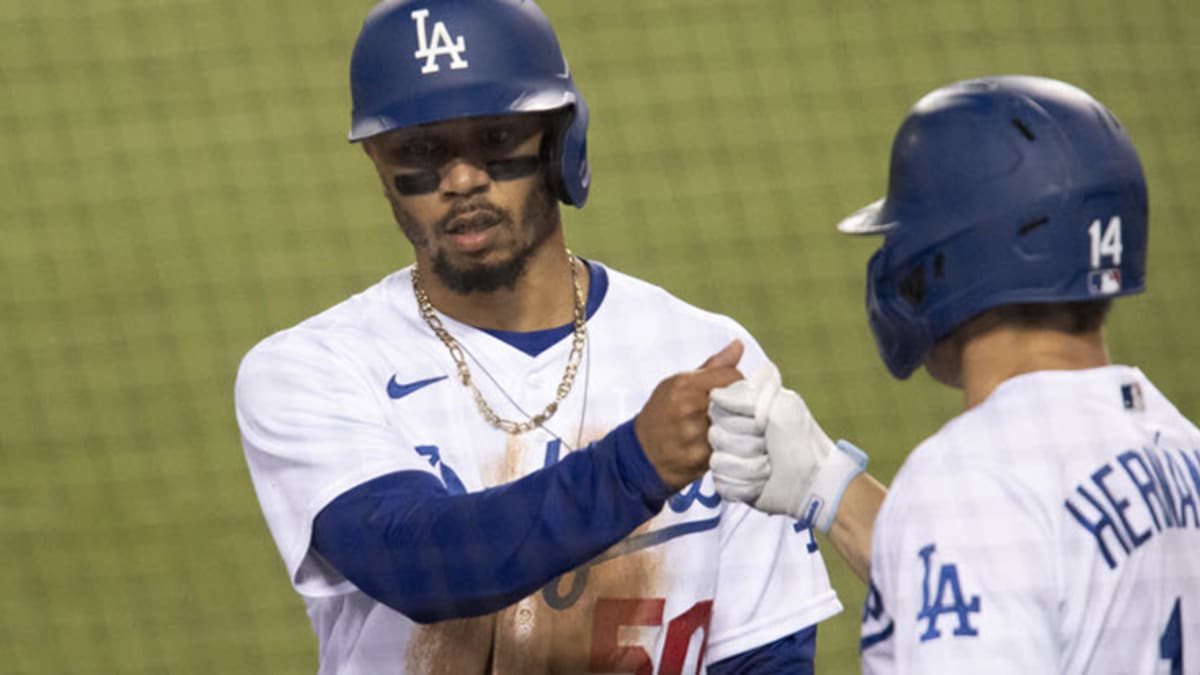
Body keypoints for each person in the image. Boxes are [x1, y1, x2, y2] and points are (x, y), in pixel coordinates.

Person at [234, 1, 845, 672]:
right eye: (421, 151)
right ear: (379, 162)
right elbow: (415, 563)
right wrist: (636, 463)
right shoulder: (314, 367)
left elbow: (765, 652)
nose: (461, 179)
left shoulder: (699, 352)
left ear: (558, 141)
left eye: (495, 139)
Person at [706, 74, 1200, 673]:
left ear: (952, 257)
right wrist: (826, 485)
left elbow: (985, 531)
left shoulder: (970, 476)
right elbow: (1015, 572)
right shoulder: (1178, 447)